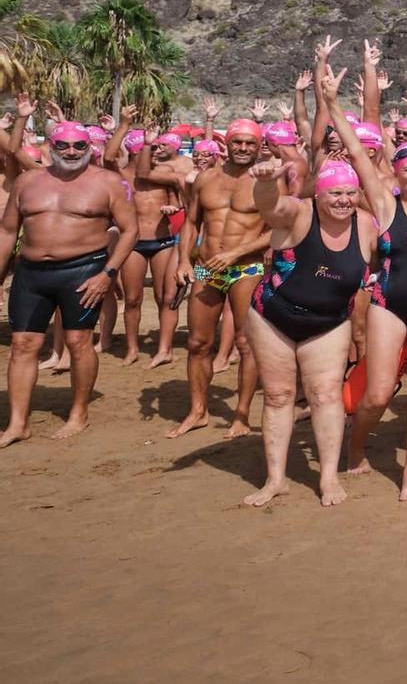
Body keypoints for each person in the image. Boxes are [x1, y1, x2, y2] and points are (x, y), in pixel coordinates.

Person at [315, 51, 407, 502]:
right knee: (377, 394)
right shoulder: (384, 204)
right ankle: (356, 448)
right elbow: (360, 150)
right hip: (388, 302)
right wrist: (334, 104)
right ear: (396, 173)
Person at [238, 156, 379, 507]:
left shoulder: (367, 226)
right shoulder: (300, 214)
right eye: (334, 194)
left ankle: (328, 477)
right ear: (318, 195)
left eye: (350, 193)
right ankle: (275, 480)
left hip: (330, 322)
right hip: (273, 316)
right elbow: (270, 206)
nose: (343, 200)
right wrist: (268, 181)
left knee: (326, 395)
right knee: (278, 396)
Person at [0, 122, 139, 445]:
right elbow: (8, 231)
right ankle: (18, 422)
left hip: (82, 270)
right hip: (31, 273)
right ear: (50, 146)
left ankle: (79, 413)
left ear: (89, 147)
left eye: (79, 146)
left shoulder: (108, 182)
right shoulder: (28, 181)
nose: (72, 152)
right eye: (64, 145)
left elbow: (130, 230)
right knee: (22, 345)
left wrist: (108, 273)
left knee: (78, 341)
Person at [169, 117, 270, 438]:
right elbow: (191, 223)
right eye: (237, 142)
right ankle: (198, 411)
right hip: (206, 268)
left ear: (258, 147)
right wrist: (184, 259)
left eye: (250, 143)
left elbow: (277, 230)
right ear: (227, 143)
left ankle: (241, 415)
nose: (243, 148)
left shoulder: (268, 182)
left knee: (246, 343)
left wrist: (236, 253)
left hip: (247, 268)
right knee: (198, 342)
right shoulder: (205, 179)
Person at [118, 126, 194, 367]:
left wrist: (174, 209)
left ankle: (166, 348)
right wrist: (121, 128)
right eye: (146, 149)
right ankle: (132, 348)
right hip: (135, 243)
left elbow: (178, 203)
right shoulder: (124, 175)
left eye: (154, 149)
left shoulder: (168, 174)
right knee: (132, 298)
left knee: (166, 296)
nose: (152, 153)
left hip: (166, 241)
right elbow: (110, 159)